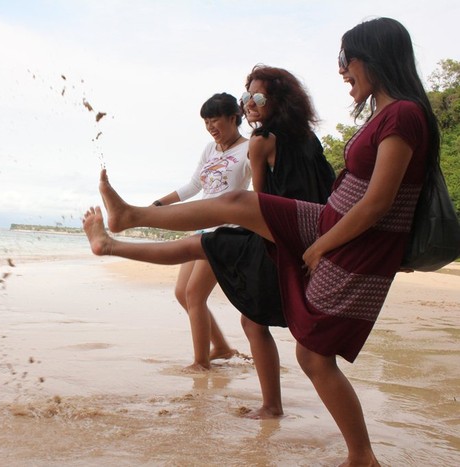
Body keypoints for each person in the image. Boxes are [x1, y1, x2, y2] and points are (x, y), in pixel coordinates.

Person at [85, 17, 438, 466]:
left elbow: (377, 203)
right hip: (329, 219)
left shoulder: (403, 114)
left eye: (346, 58)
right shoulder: (385, 115)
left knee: (312, 355)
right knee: (235, 207)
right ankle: (129, 218)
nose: (341, 69)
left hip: (344, 236)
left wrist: (321, 245)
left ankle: (361, 456)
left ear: (375, 57)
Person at [85, 65, 335, 419]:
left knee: (204, 291)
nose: (250, 102)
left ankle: (120, 233)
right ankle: (120, 232)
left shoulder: (258, 143)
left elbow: (260, 202)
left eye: (258, 97)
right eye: (247, 95)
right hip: (299, 232)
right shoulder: (307, 139)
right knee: (215, 299)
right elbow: (196, 186)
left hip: (264, 233)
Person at [151, 92, 250, 372]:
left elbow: (260, 189)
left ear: (234, 117)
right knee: (182, 292)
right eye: (206, 122)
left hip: (226, 232)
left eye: (215, 120)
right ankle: (221, 347)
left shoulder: (249, 148)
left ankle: (201, 362)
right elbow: (194, 186)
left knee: (195, 294)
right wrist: (158, 205)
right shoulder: (210, 149)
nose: (210, 127)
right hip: (203, 227)